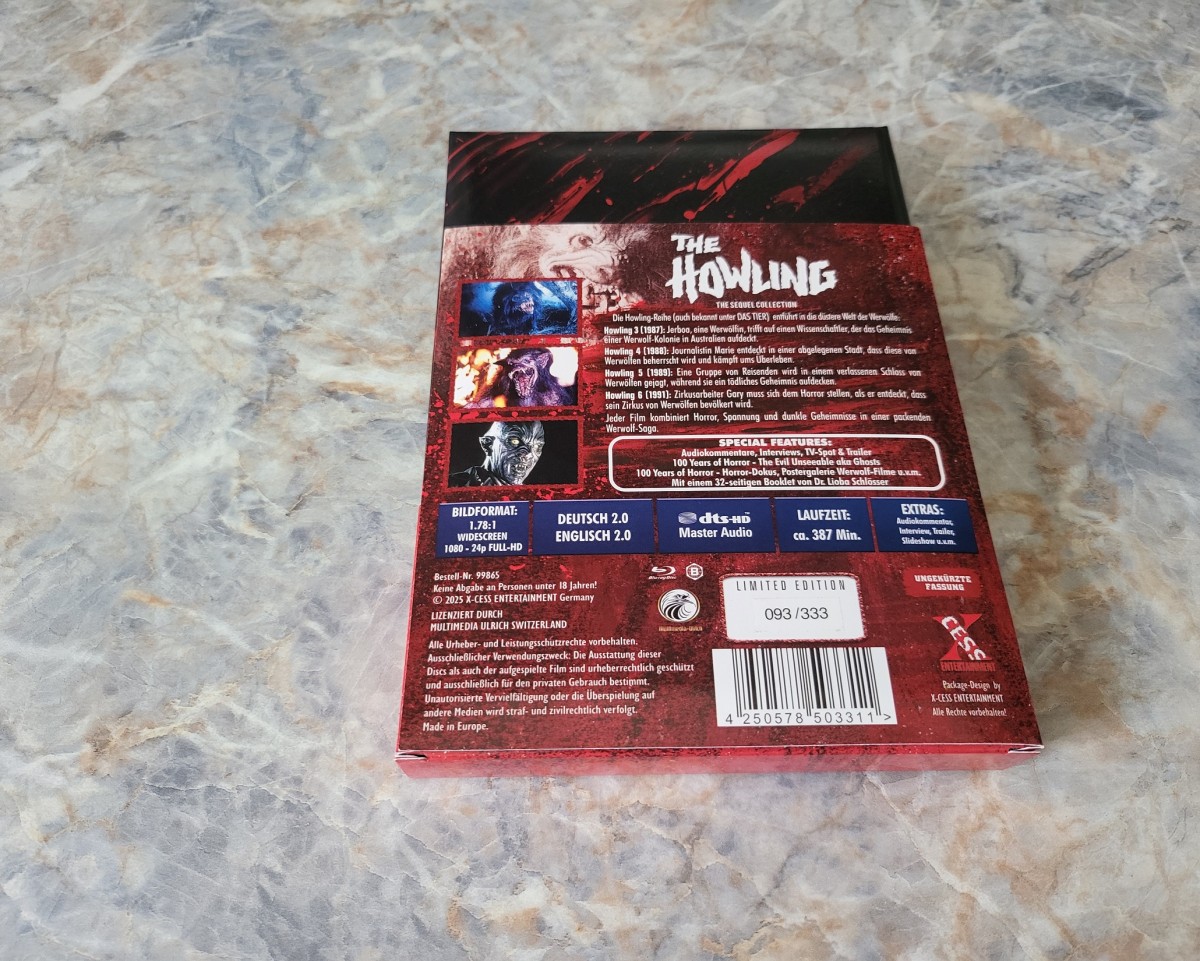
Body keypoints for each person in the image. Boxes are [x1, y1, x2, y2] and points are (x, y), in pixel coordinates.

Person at [449, 421, 545, 486]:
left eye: (537, 446)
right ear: (487, 445)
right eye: (514, 441)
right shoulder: (453, 485)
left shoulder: (534, 498)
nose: (529, 454)